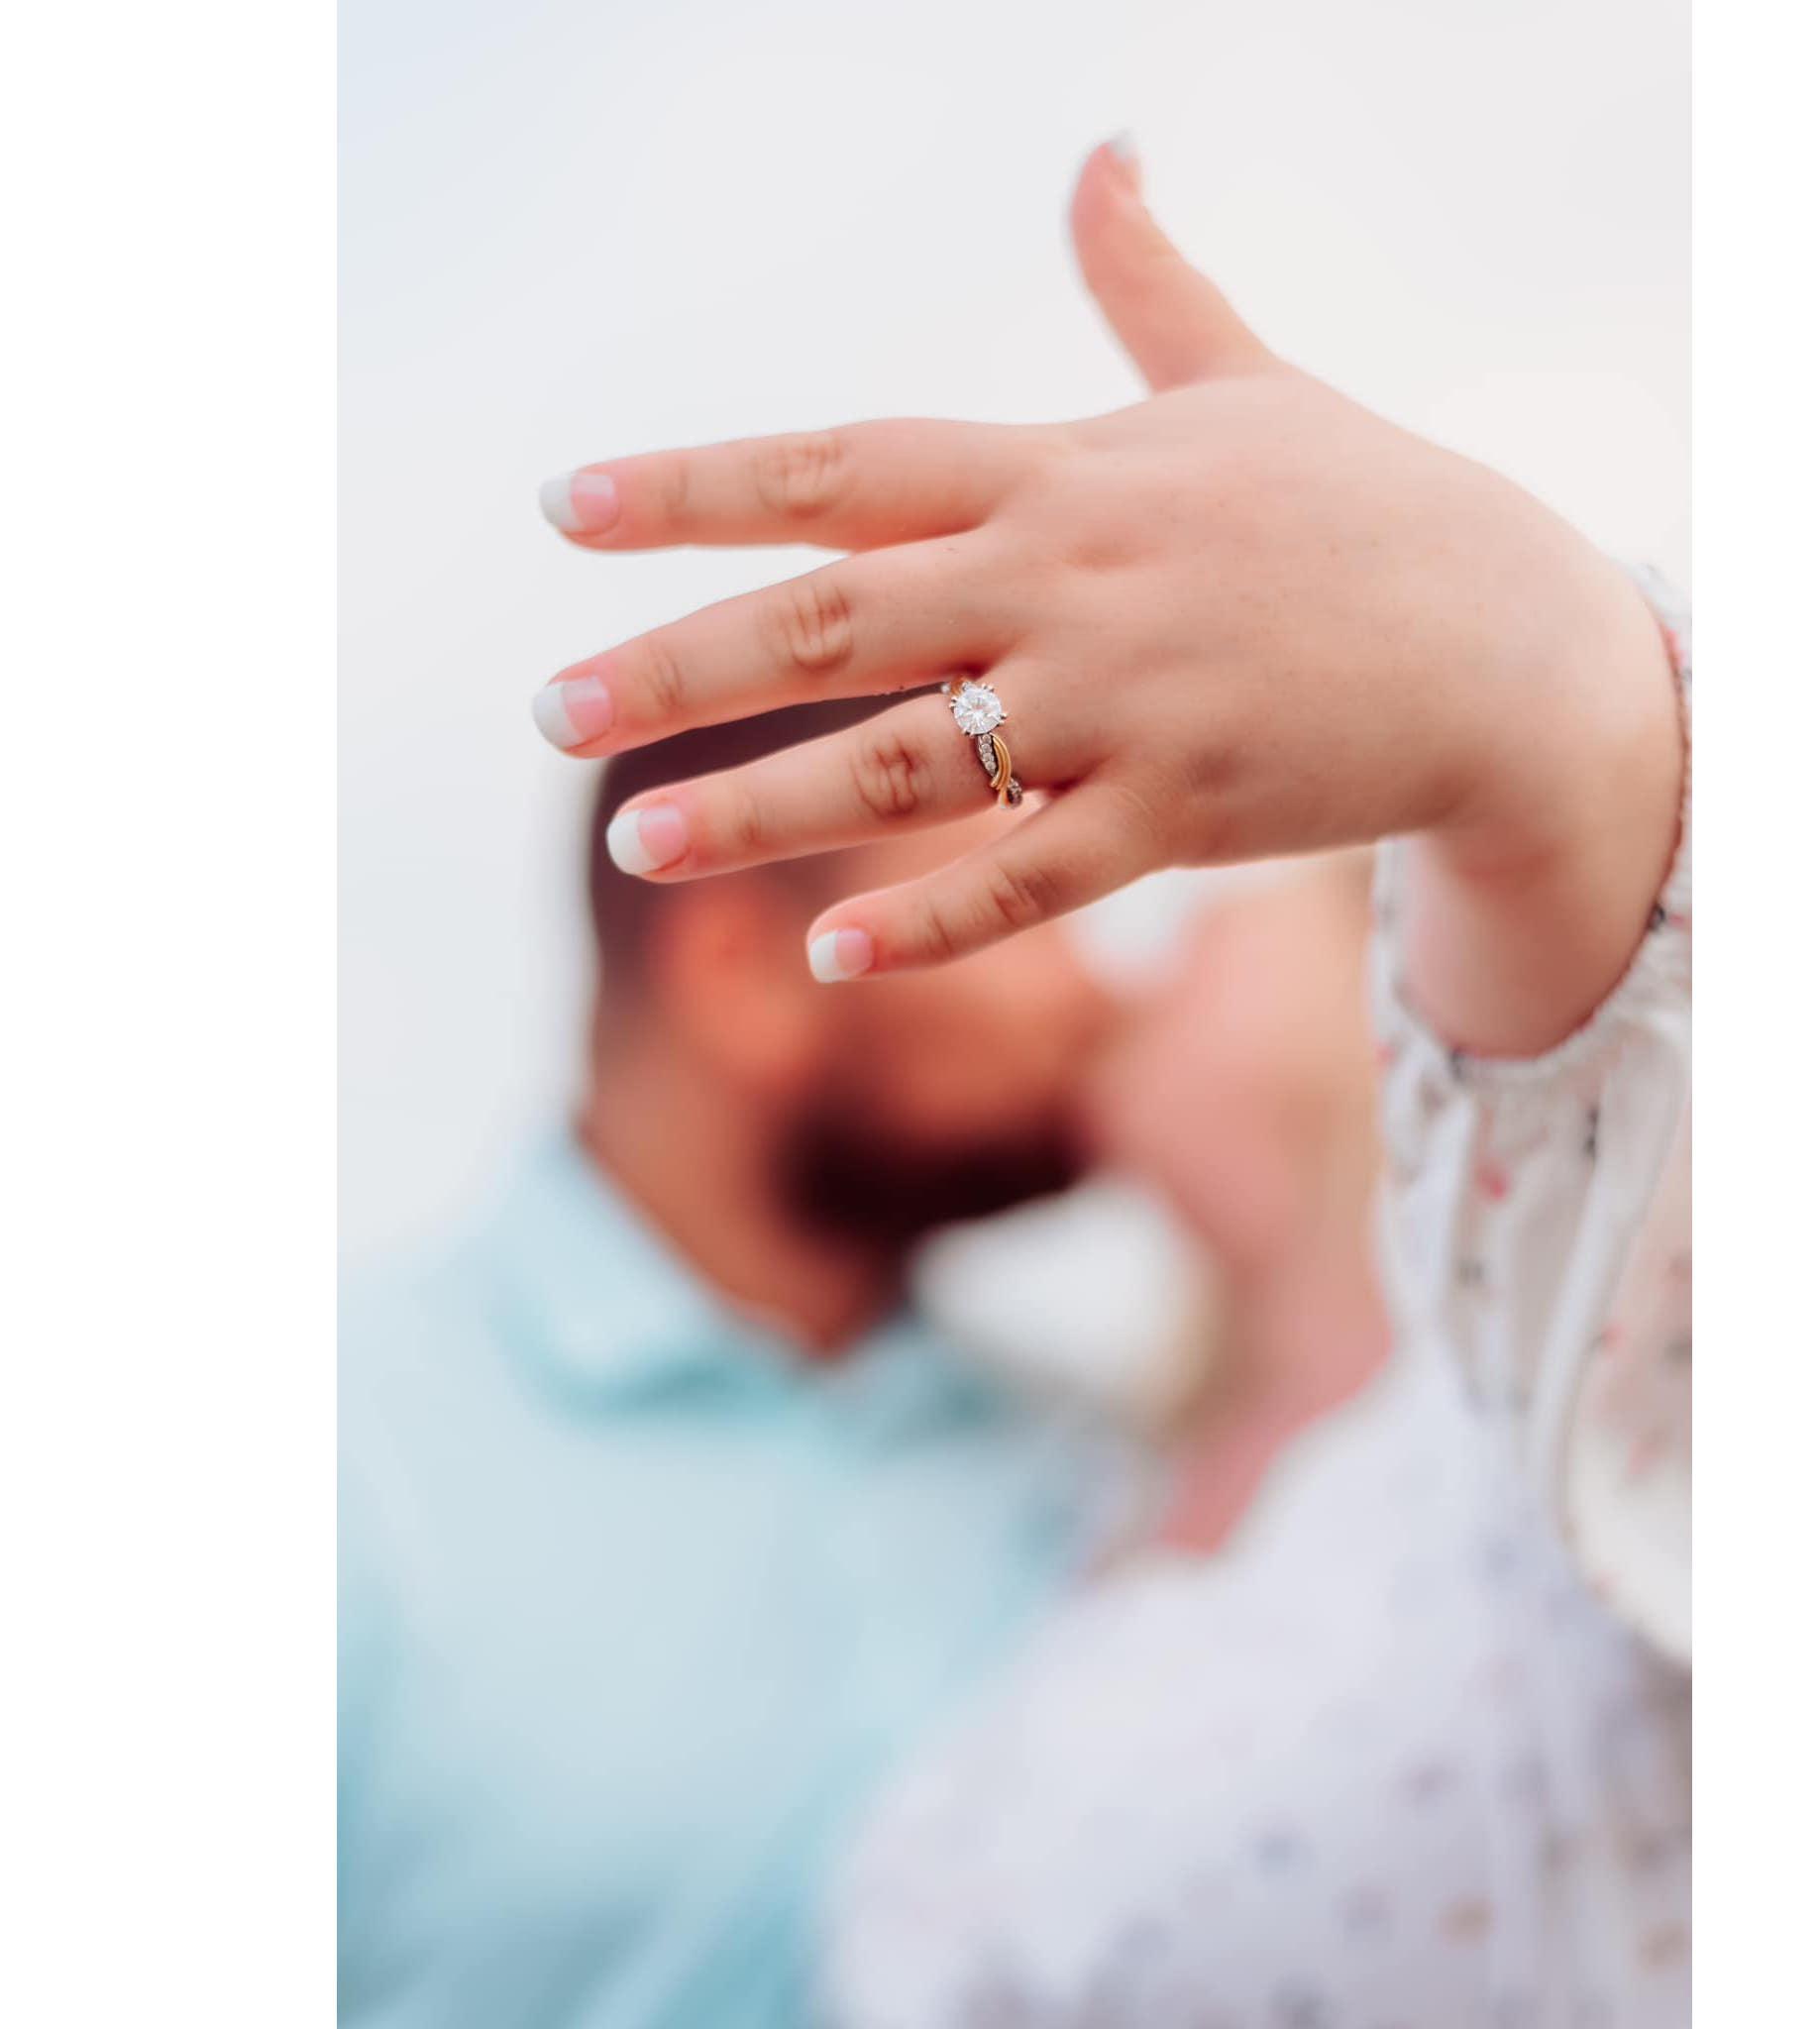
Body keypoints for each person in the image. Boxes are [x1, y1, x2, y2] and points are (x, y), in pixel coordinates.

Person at [531, 137, 1691, 2024]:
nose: (1093, 973)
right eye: (1041, 902)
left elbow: (1611, 1075)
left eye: (1194, 907)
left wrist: (1532, 676)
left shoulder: (1551, 1391)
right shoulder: (1080, 1493)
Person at [339, 711, 1133, 2029]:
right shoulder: (345, 1457)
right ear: (741, 973)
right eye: (1022, 912)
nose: (1094, 995)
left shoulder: (1087, 1461)